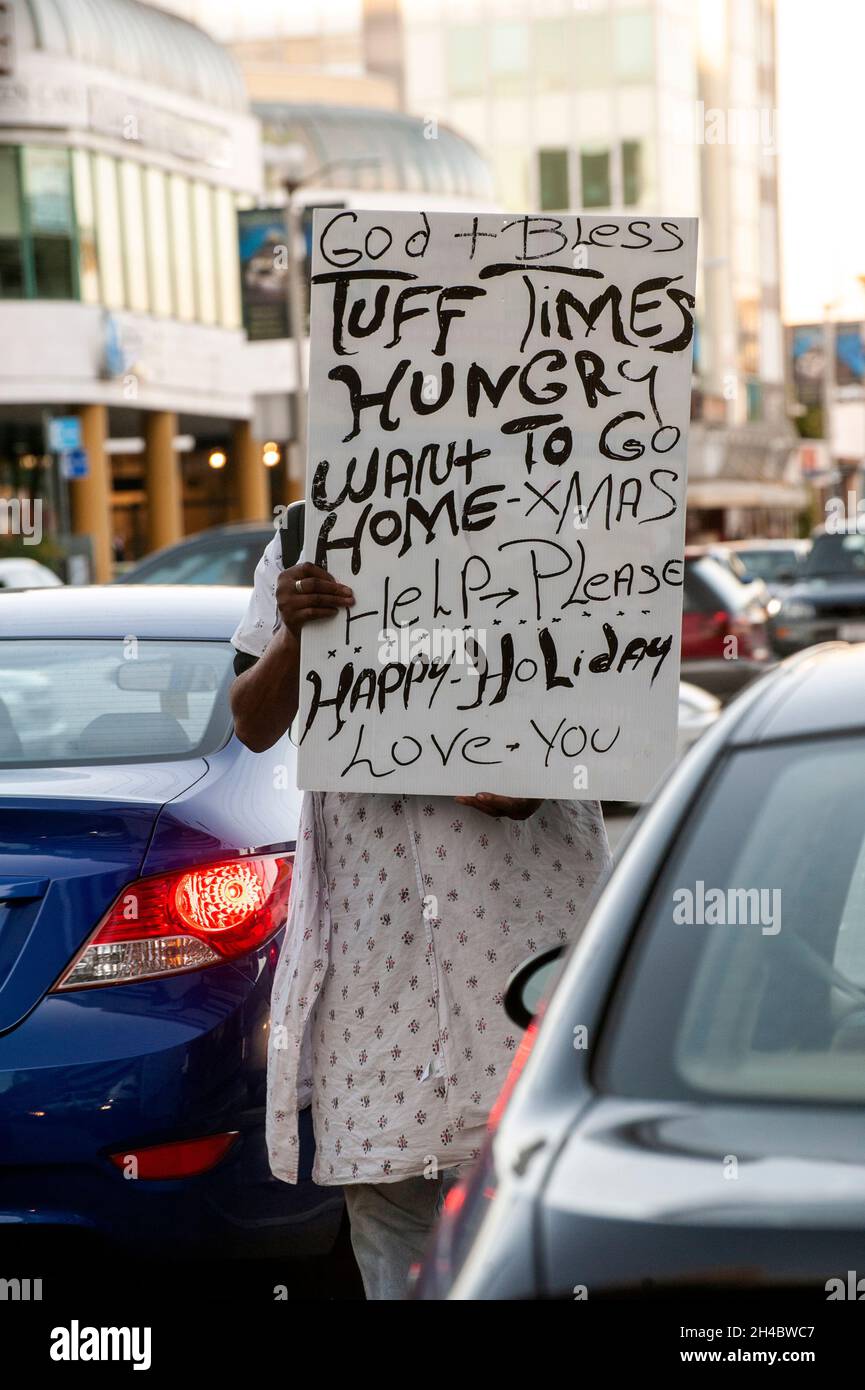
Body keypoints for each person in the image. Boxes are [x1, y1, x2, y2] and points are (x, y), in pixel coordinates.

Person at [230, 532, 612, 1299]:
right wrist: (293, 634)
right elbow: (252, 721)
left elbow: (614, 703)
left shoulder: (561, 508)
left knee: (545, 1222)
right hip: (378, 981)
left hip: (528, 962)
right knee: (395, 1237)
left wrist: (542, 769)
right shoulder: (308, 534)